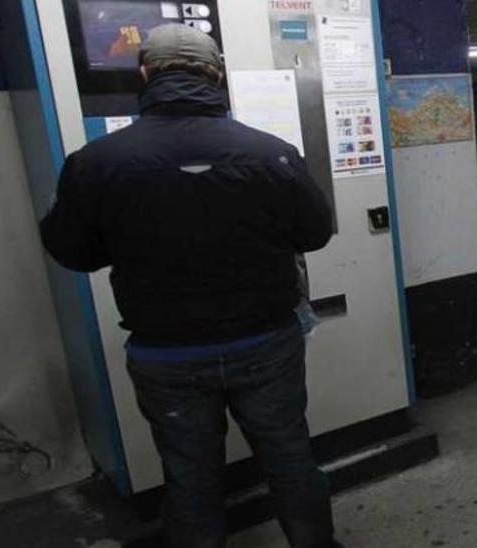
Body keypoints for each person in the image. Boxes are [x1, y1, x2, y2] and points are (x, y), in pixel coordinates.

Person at [40, 24, 340, 548]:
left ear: (145, 74)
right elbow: (314, 234)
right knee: (291, 458)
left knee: (190, 477)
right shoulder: (272, 154)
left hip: (166, 354)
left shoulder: (94, 163)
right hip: (265, 342)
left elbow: (73, 253)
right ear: (217, 75)